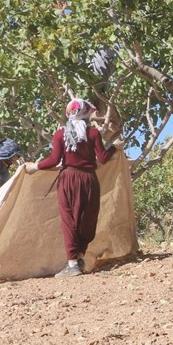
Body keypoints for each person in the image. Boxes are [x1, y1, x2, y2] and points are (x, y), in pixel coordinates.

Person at [25, 98, 117, 277]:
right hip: (89, 180)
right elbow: (103, 158)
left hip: (68, 180)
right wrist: (113, 148)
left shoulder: (60, 134)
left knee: (69, 220)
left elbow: (53, 160)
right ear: (84, 113)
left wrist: (34, 167)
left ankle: (73, 263)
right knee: (86, 219)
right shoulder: (93, 134)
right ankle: (79, 256)